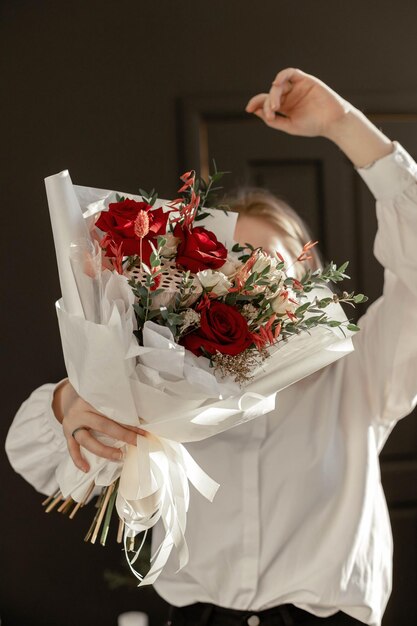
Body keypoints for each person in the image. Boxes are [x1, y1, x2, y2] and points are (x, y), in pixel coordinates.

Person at [5, 68, 417, 626]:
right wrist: (69, 402)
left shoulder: (366, 374)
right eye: (230, 264)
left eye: (267, 263)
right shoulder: (159, 382)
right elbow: (39, 463)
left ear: (309, 276)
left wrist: (345, 127)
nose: (248, 282)